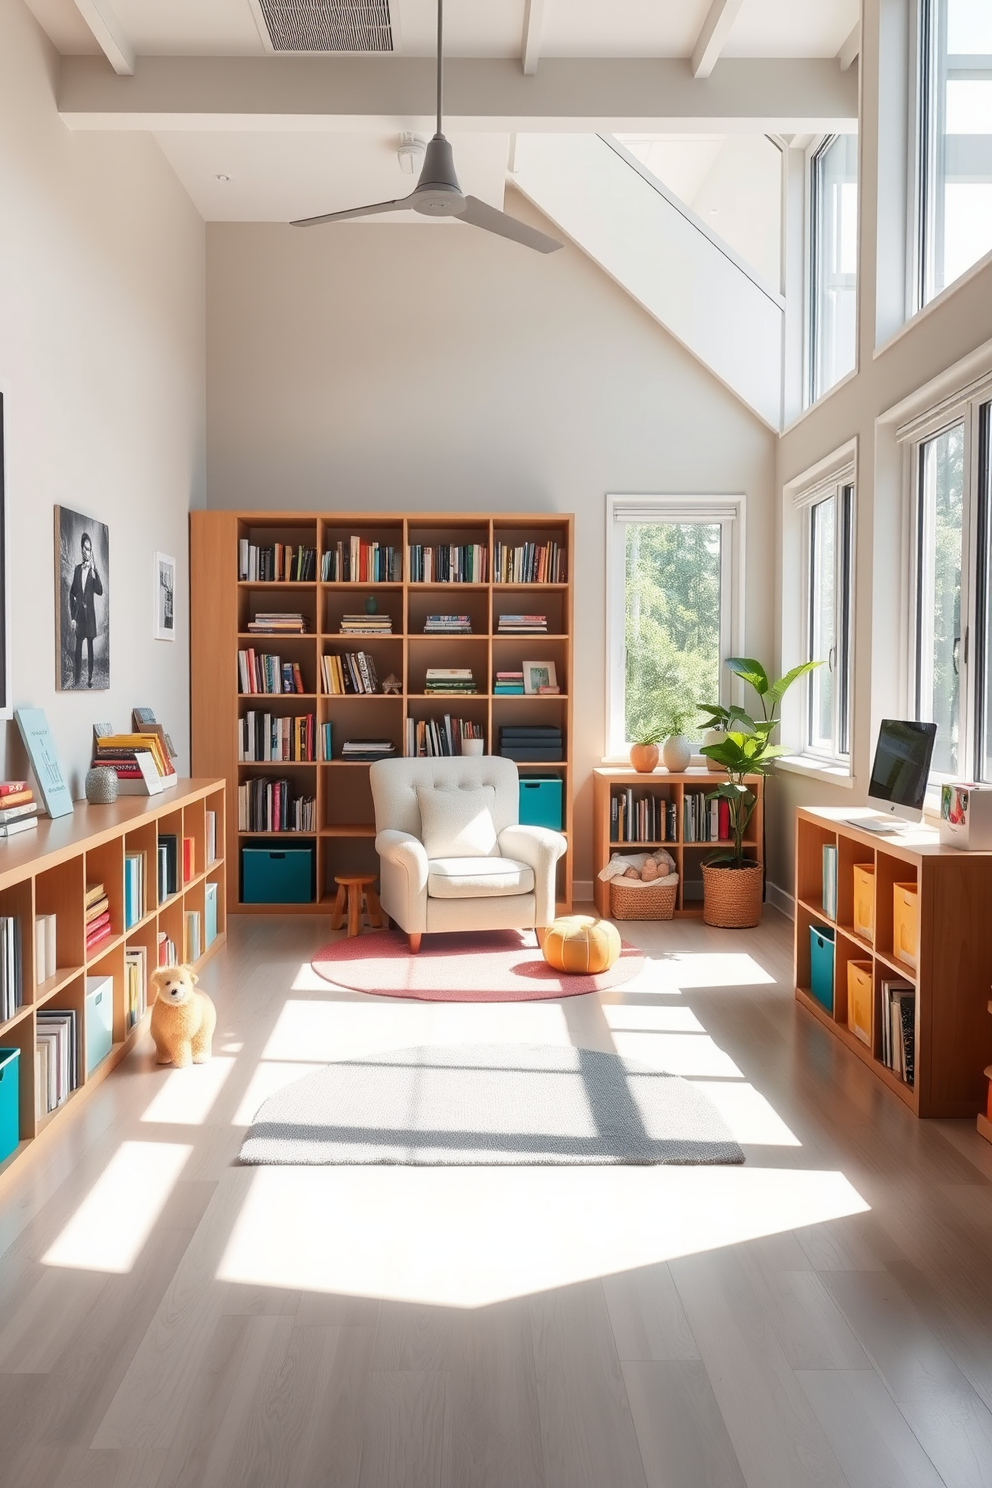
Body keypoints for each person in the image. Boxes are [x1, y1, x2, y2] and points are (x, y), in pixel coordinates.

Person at [69, 532, 103, 688]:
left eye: (88, 549)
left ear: (91, 551)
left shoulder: (92, 571)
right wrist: (73, 617)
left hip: (90, 617)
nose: (85, 551)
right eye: (84, 548)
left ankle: (89, 678)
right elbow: (72, 593)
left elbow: (100, 590)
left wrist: (95, 571)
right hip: (79, 616)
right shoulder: (77, 570)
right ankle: (76, 679)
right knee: (77, 649)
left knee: (90, 648)